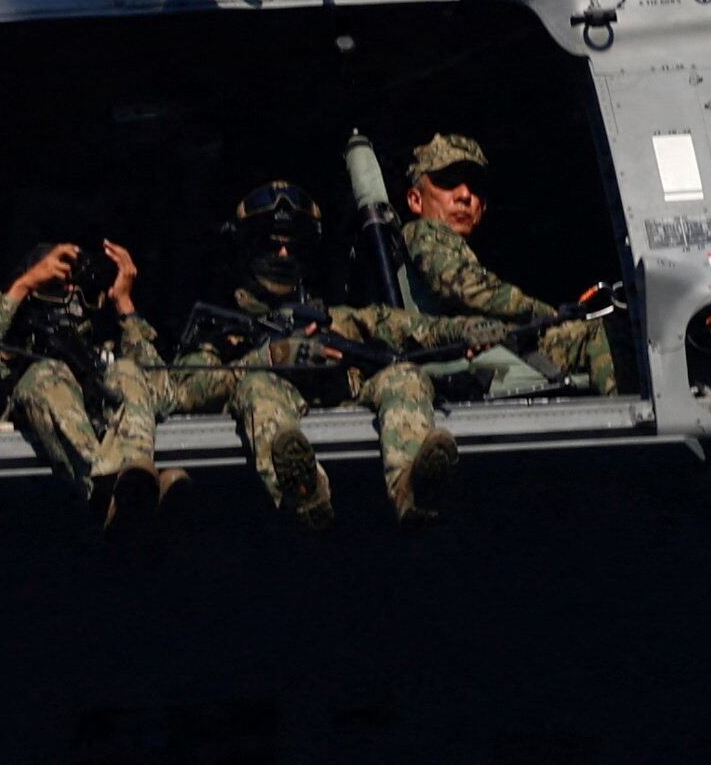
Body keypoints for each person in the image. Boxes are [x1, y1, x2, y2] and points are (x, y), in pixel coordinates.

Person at [156, 179, 496, 525]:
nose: (283, 255)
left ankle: (411, 490)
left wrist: (465, 330)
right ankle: (306, 493)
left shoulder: (333, 319)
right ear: (246, 251)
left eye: (293, 247)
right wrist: (269, 359)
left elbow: (408, 327)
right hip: (272, 476)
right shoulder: (222, 330)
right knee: (258, 388)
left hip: (345, 407)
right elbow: (186, 390)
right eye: (271, 245)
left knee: (405, 376)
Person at [0, 234, 169, 528]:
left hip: (102, 433)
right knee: (47, 372)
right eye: (57, 287)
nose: (71, 297)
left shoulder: (98, 351)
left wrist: (124, 304)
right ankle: (108, 492)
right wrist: (23, 286)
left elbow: (163, 393)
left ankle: (133, 490)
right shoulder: (13, 347)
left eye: (78, 289)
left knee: (128, 371)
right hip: (31, 434)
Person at [393, 131, 619, 395]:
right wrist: (544, 313)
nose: (465, 194)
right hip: (451, 358)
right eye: (448, 181)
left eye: (475, 186)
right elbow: (464, 285)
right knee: (590, 336)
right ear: (415, 200)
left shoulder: (447, 245)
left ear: (484, 207)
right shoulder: (425, 231)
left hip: (472, 355)